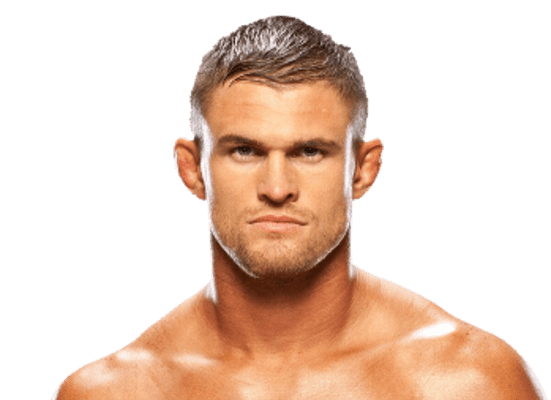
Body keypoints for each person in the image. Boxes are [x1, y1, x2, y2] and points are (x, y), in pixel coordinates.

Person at [53, 15, 546, 399]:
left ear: (362, 169)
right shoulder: (115, 393)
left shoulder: (467, 382)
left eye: (309, 152)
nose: (277, 187)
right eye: (244, 151)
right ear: (192, 168)